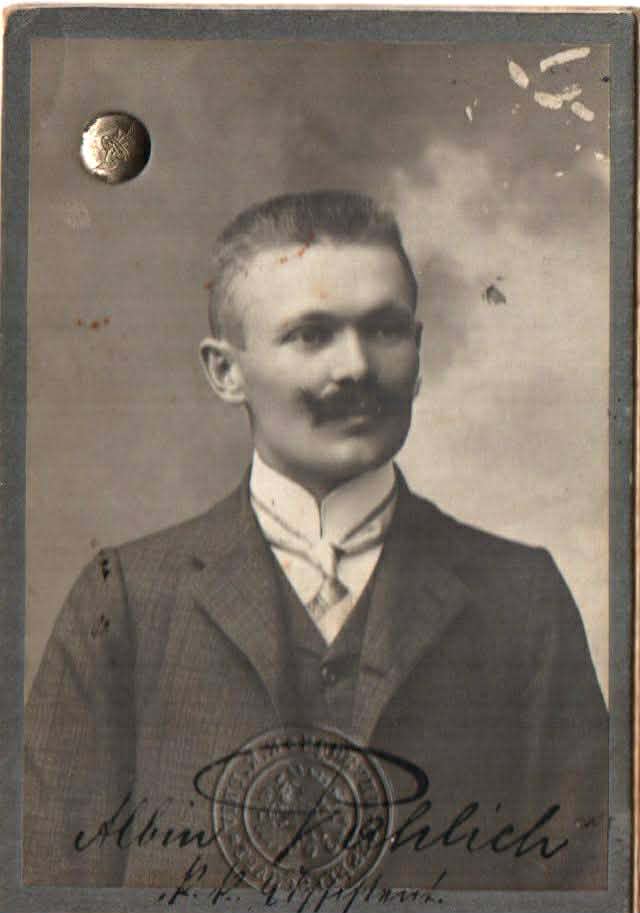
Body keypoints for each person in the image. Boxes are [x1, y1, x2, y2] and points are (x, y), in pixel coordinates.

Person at [24, 191, 608, 892]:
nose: (356, 366)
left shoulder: (520, 598)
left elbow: (583, 884)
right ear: (225, 372)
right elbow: (52, 882)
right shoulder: (125, 601)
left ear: (418, 352)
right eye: (311, 334)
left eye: (385, 329)